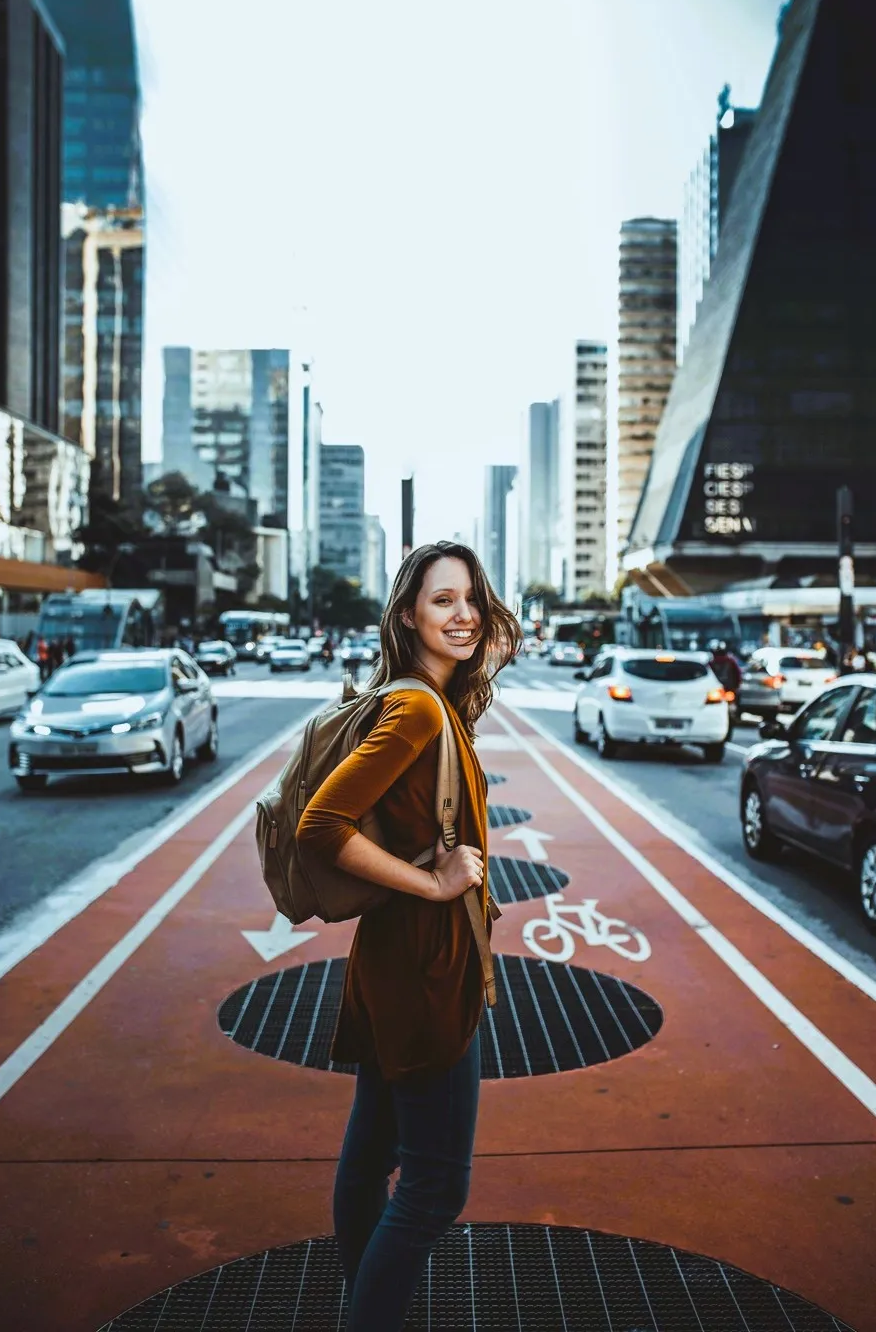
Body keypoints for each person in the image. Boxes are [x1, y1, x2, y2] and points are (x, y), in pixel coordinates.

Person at [296, 541, 522, 1331]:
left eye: (472, 599)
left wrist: (480, 636)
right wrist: (433, 881)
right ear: (406, 615)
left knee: (368, 1163)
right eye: (441, 601)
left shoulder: (428, 696)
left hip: (393, 961)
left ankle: (363, 1304)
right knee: (433, 1190)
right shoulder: (420, 707)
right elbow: (321, 824)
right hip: (427, 968)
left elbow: (497, 638)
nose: (463, 615)